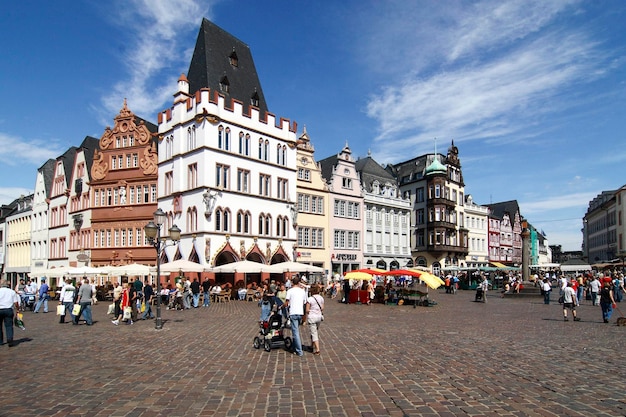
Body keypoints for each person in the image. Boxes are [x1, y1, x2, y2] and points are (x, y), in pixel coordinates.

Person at [285, 276, 307, 356]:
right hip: (300, 312)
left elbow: (287, 302)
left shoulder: (290, 291)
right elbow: (304, 302)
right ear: (299, 283)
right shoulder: (302, 291)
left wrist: (282, 306)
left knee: (295, 332)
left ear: (292, 282)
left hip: (293, 312)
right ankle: (294, 347)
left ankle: (299, 351)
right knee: (296, 330)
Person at [0, 279, 20, 347]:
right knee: (9, 325)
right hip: (8, 309)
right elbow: (16, 302)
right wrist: (18, 309)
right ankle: (9, 339)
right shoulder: (11, 292)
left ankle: (0, 341)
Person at [306, 285, 324, 355]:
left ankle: (317, 349)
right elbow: (322, 308)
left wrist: (311, 311)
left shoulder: (310, 299)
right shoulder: (321, 298)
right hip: (319, 317)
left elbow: (307, 310)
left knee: (314, 333)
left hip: (312, 317)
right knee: (315, 331)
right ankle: (312, 345)